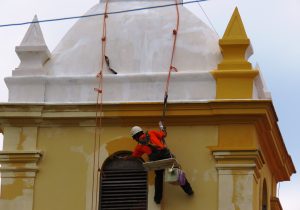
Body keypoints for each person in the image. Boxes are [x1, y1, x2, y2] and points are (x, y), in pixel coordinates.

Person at [128, 124, 194, 204]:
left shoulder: (139, 146)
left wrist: (123, 158)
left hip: (156, 160)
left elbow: (133, 156)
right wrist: (163, 129)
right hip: (165, 155)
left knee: (159, 177)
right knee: (175, 173)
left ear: (135, 136)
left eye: (134, 138)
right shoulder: (151, 133)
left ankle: (157, 199)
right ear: (141, 132)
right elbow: (164, 134)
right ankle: (189, 190)